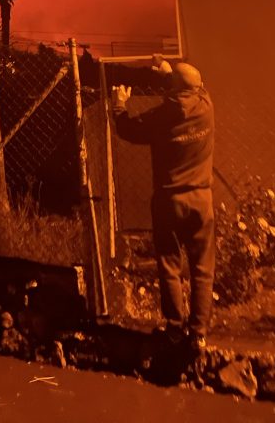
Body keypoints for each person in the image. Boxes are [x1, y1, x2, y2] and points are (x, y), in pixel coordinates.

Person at [112, 55, 215, 354]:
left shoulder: (161, 117)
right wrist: (170, 75)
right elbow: (192, 87)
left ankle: (173, 328)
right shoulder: (207, 107)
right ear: (198, 89)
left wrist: (119, 105)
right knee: (202, 268)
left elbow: (128, 130)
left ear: (171, 90)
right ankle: (198, 333)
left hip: (169, 200)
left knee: (170, 265)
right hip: (201, 198)